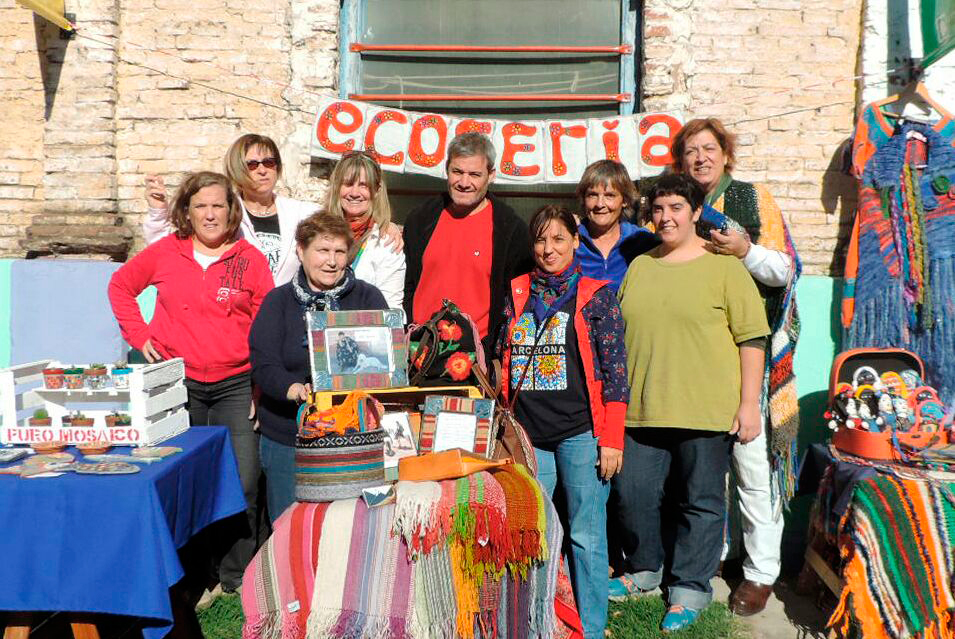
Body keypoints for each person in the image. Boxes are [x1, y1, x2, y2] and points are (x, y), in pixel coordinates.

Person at [613, 174, 769, 632]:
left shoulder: (724, 268)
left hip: (706, 408)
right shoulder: (640, 266)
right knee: (633, 494)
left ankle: (689, 589)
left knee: (700, 502)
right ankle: (645, 569)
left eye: (677, 208)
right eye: (659, 209)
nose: (666, 217)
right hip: (643, 408)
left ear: (696, 213)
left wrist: (749, 404)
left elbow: (752, 338)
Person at [109, 171, 274, 592]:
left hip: (236, 385)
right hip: (176, 384)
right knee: (184, 482)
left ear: (232, 210)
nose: (210, 214)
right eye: (201, 206)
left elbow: (265, 326)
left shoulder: (251, 260)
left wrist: (259, 385)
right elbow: (120, 286)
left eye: (218, 205)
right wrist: (140, 336)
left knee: (244, 480)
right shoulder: (167, 252)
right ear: (187, 211)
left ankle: (236, 577)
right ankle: (191, 576)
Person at [672, 117, 801, 616]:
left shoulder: (752, 198)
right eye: (691, 150)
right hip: (697, 359)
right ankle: (716, 556)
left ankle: (761, 572)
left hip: (750, 357)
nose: (700, 158)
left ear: (725, 154)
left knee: (752, 466)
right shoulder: (675, 204)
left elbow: (785, 270)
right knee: (700, 469)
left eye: (709, 148)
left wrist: (744, 250)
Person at [496, 205, 629, 639]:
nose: (548, 249)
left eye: (558, 239)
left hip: (580, 434)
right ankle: (539, 621)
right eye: (540, 240)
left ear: (575, 241)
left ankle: (590, 628)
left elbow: (616, 372)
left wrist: (612, 438)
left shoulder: (596, 295)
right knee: (533, 531)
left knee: (586, 536)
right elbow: (502, 356)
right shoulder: (517, 292)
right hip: (528, 436)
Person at [248, 212, 388, 522]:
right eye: (322, 250)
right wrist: (292, 388)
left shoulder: (368, 297)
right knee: (290, 525)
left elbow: (385, 359)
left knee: (356, 525)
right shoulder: (278, 302)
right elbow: (264, 361)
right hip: (290, 435)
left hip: (358, 437)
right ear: (301, 251)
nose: (332, 261)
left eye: (339, 251)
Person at [143, 134, 403, 286]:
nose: (262, 170)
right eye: (252, 164)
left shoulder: (301, 213)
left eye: (269, 162)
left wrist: (386, 225)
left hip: (285, 324)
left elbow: (341, 221)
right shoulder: (223, 213)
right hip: (235, 322)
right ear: (237, 168)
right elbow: (169, 248)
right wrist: (158, 212)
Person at [403, 132, 534, 358]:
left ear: (491, 175)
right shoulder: (420, 219)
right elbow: (406, 286)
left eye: (474, 174)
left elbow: (518, 302)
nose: (464, 183)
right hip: (419, 352)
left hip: (478, 357)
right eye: (457, 172)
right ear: (447, 169)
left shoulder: (510, 230)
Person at [323, 151, 406, 309]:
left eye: (363, 185)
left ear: (377, 190)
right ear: (337, 187)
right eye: (348, 184)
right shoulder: (317, 230)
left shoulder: (386, 243)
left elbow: (391, 309)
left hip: (362, 324)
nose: (354, 193)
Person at [575, 159, 658, 291]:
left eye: (609, 195)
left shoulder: (642, 241)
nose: (600, 204)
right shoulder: (570, 241)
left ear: (625, 200)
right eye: (592, 195)